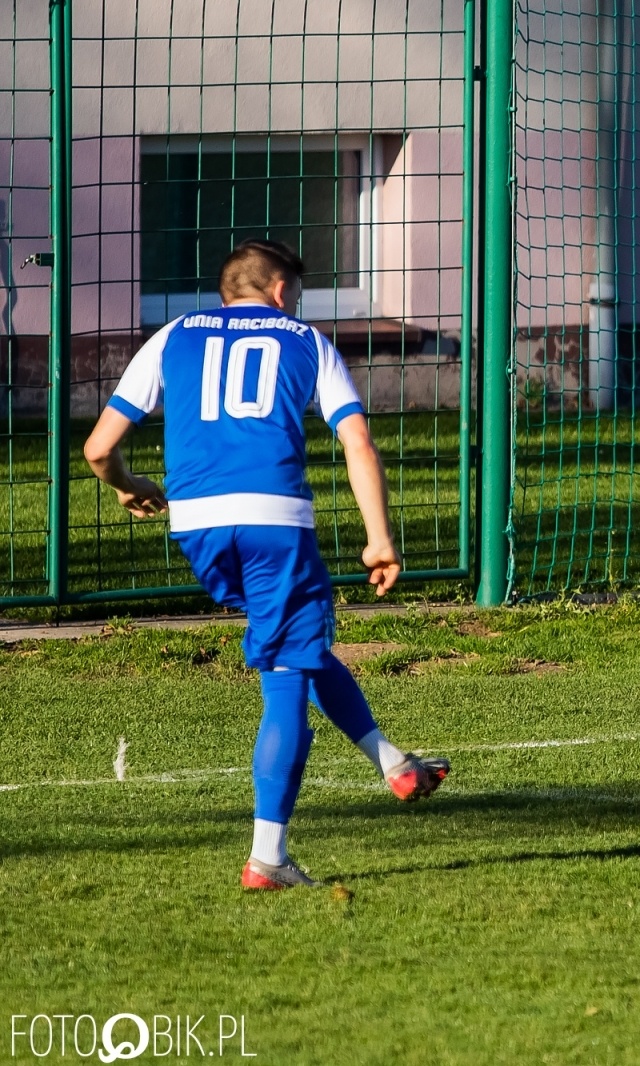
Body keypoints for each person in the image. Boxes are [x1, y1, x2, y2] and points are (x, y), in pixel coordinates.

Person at [82, 239, 450, 890]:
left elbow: (98, 447)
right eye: (297, 295)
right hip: (273, 521)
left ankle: (394, 762)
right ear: (281, 291)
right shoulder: (304, 339)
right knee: (286, 672)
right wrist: (379, 539)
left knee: (297, 644)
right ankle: (269, 860)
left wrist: (127, 483)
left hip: (197, 525)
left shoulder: (172, 334)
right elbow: (356, 440)